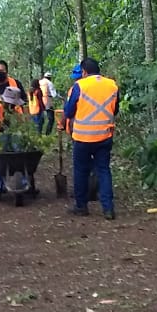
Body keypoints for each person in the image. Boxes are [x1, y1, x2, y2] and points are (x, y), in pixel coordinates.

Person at [63, 57, 119, 220]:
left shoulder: (79, 86)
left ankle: (81, 206)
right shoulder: (112, 85)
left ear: (84, 72)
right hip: (104, 135)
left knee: (81, 170)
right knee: (103, 170)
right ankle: (108, 209)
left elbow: (68, 111)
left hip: (82, 137)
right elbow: (115, 110)